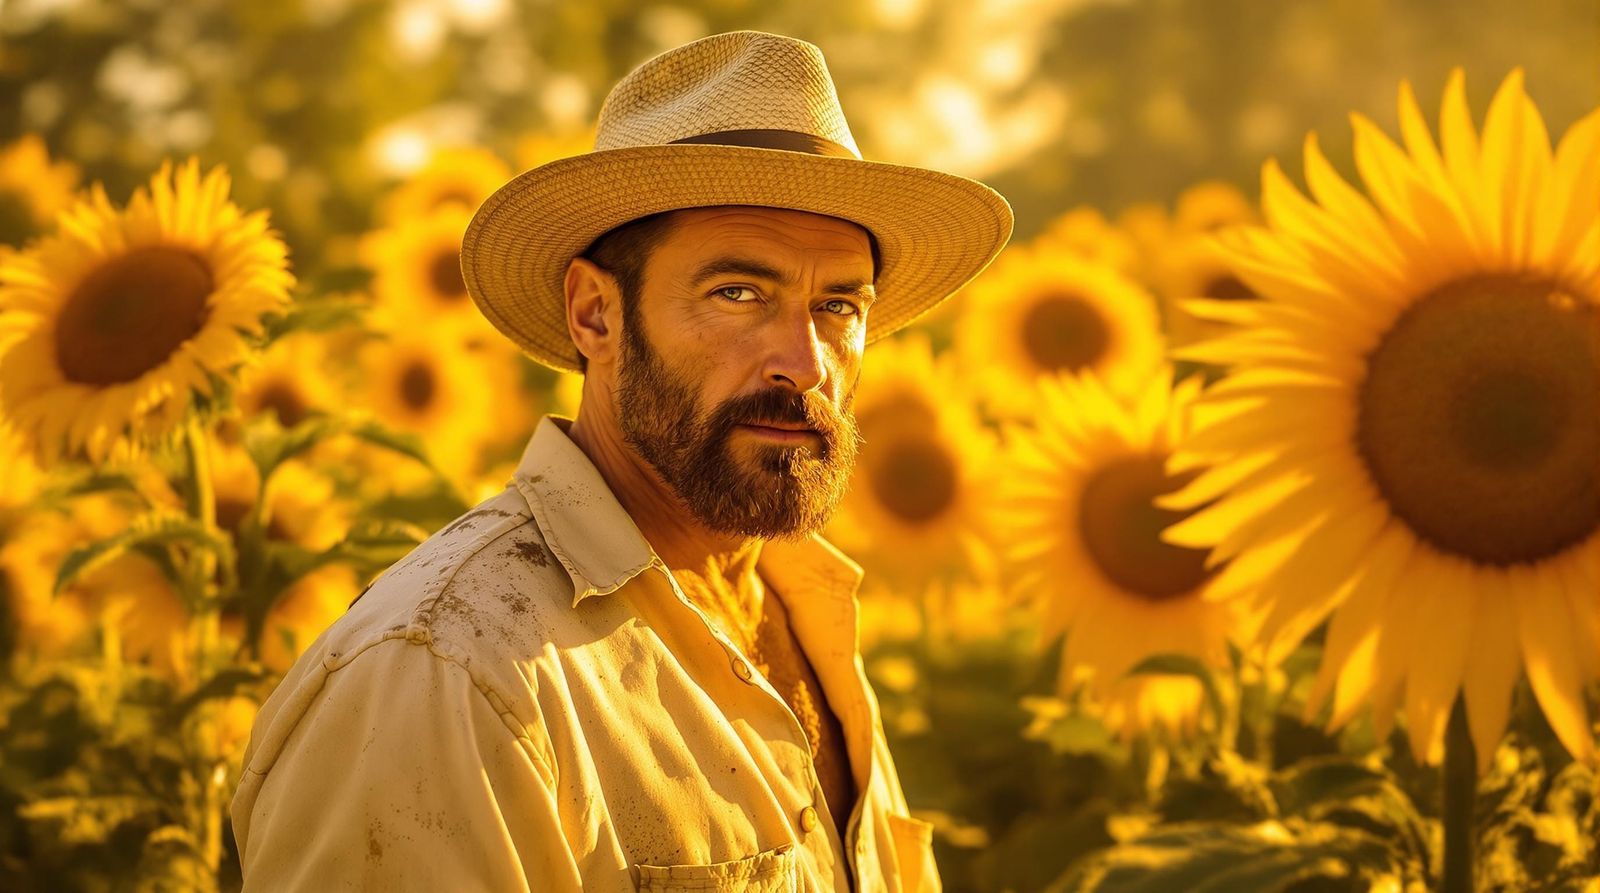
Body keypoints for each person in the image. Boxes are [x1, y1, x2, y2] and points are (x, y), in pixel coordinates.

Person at [230, 29, 1011, 892]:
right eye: (739, 293)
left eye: (837, 305)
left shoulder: (805, 613)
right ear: (594, 314)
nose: (807, 361)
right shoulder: (445, 675)